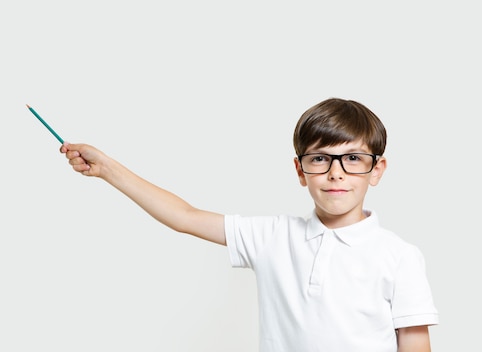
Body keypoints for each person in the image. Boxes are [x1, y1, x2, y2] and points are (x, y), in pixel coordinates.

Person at [60, 98, 439, 352]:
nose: (335, 173)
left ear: (377, 170)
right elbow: (185, 217)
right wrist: (108, 169)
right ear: (300, 170)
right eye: (320, 159)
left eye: (353, 158)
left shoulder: (398, 256)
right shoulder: (272, 236)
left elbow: (414, 340)